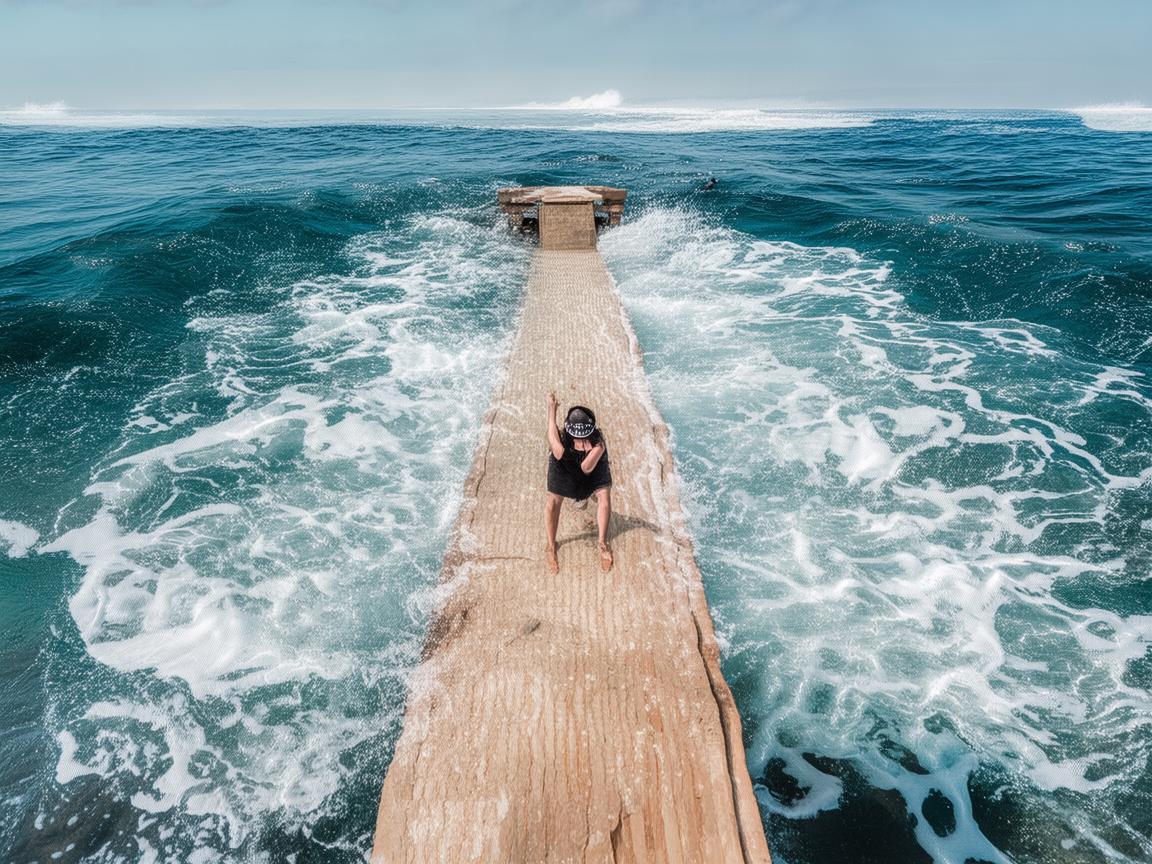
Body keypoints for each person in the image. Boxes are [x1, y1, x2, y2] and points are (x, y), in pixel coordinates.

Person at [544, 392, 613, 573]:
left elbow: (585, 469)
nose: (581, 442)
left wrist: (595, 450)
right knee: (552, 503)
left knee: (604, 497)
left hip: (590, 463)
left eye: (585, 438)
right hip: (564, 464)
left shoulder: (599, 445)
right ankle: (551, 545)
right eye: (577, 438)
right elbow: (552, 433)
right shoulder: (562, 445)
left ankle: (602, 544)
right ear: (568, 432)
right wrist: (552, 410)